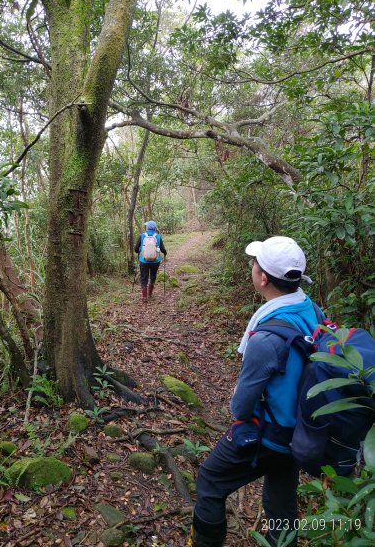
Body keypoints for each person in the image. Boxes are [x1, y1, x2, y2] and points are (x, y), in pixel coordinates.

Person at [190, 236, 322, 547]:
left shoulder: (266, 338)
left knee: (210, 481)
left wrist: (237, 408)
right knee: (281, 499)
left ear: (263, 278)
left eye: (254, 263)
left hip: (271, 434)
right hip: (299, 430)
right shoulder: (310, 308)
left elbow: (241, 406)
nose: (252, 267)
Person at [134, 220, 167, 302]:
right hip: (155, 261)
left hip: (143, 260)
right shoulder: (158, 237)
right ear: (155, 228)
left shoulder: (142, 236)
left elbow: (135, 249)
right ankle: (150, 293)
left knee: (144, 277)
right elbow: (162, 249)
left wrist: (139, 252)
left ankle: (144, 297)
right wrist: (165, 253)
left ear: (147, 227)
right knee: (153, 276)